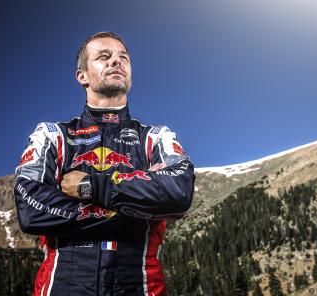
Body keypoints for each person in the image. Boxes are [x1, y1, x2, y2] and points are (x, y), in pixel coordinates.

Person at [14, 31, 195, 296]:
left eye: (123, 57)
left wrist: (90, 186)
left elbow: (179, 192)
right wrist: (137, 207)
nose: (116, 62)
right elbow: (30, 209)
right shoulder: (52, 135)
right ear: (82, 76)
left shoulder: (156, 137)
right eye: (103, 57)